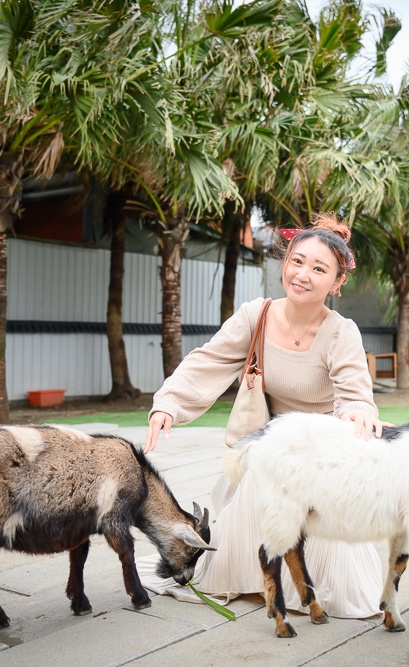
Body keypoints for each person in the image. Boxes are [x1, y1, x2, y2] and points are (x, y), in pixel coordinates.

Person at [138, 215, 387, 619]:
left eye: (319, 269)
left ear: (337, 283)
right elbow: (209, 360)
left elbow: (354, 390)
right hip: (270, 438)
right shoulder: (257, 314)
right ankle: (253, 579)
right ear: (285, 261)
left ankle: (309, 586)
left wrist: (358, 413)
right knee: (266, 463)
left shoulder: (342, 333)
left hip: (322, 443)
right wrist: (168, 402)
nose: (303, 275)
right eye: (297, 261)